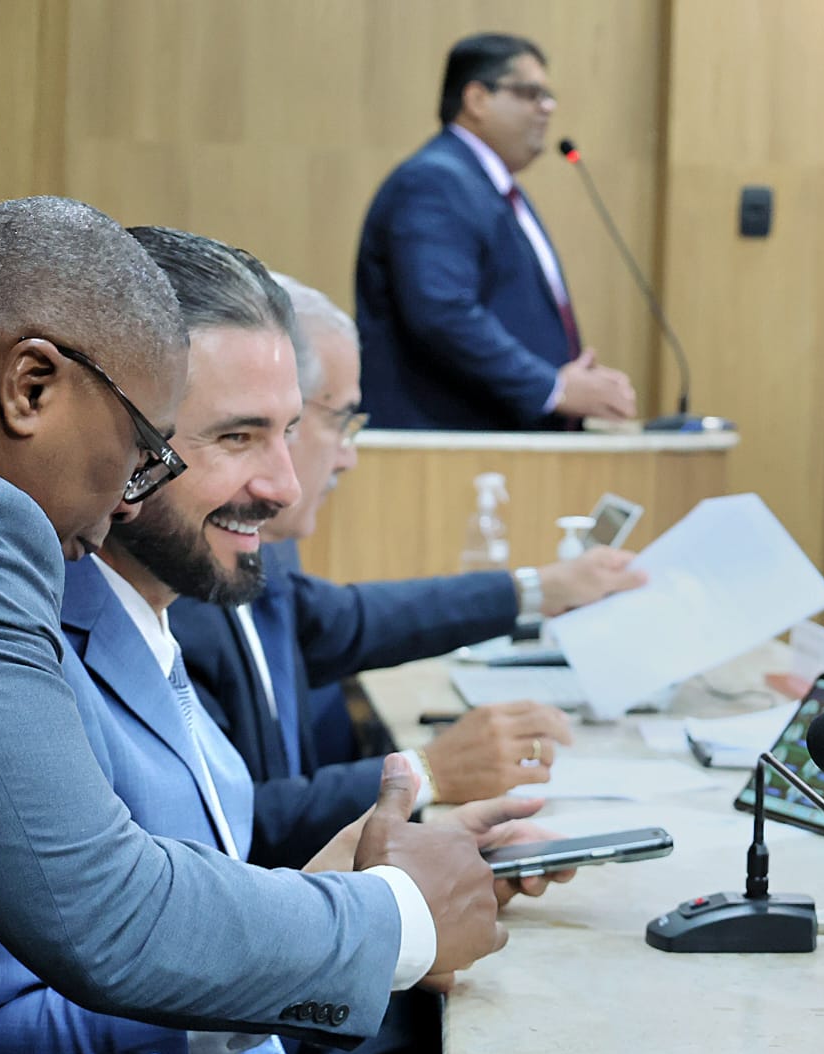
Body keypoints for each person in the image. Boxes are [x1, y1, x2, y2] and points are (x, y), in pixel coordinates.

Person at [0, 199, 498, 1054]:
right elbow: (101, 918)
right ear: (31, 386)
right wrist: (399, 919)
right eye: (145, 451)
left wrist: (316, 903)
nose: (131, 498)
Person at [172, 274, 645, 867]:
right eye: (339, 421)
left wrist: (537, 590)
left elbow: (338, 621)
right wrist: (426, 773)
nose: (346, 456)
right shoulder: (180, 573)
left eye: (290, 428)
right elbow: (225, 835)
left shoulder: (259, 548)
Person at [355, 32, 637, 431]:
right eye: (531, 94)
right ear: (477, 99)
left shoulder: (491, 186)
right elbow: (442, 312)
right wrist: (551, 388)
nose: (548, 108)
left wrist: (564, 382)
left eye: (548, 96)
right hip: (447, 441)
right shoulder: (435, 181)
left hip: (498, 438)